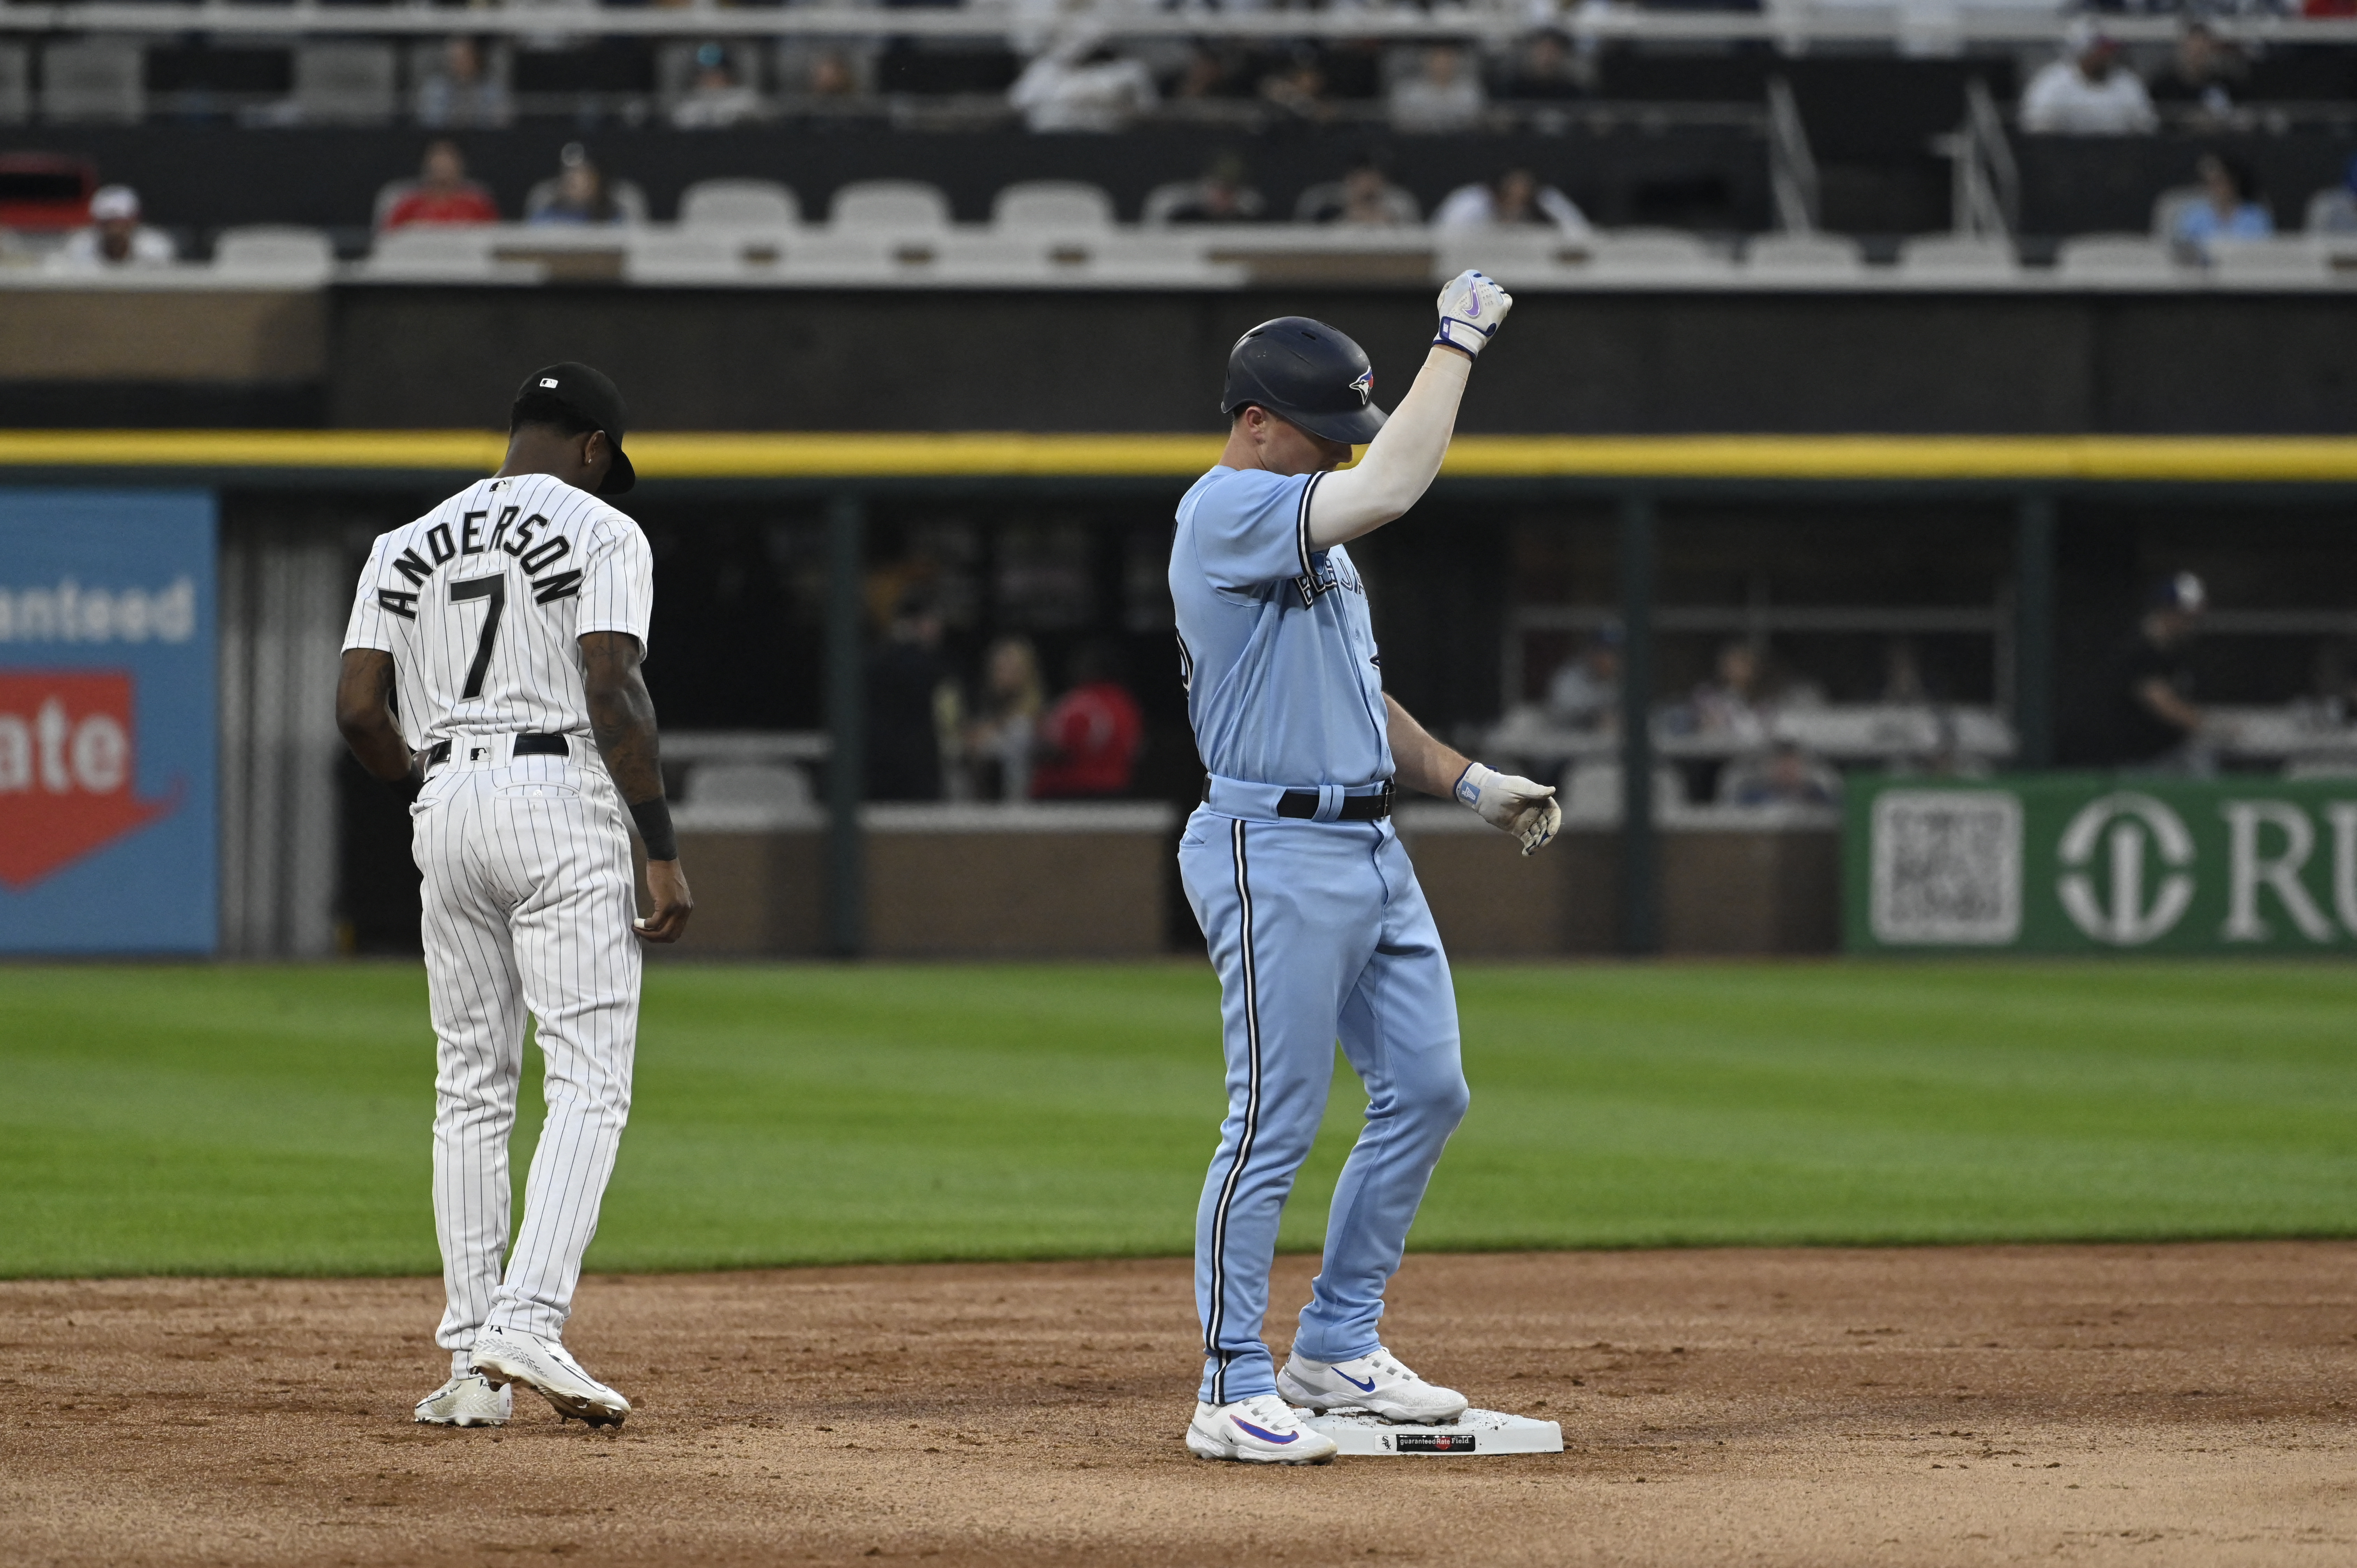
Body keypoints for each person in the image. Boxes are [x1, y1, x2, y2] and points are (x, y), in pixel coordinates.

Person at [1171, 276, 1560, 1465]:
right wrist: (1458, 342)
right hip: (1268, 845)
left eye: (1347, 433)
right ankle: (1230, 1381)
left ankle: (1336, 1347)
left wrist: (1468, 781)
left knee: (1431, 1090)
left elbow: (1357, 693)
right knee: (1271, 1121)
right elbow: (1393, 484)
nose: (1340, 454)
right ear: (1254, 421)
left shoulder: (1307, 535)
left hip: (1368, 843)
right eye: (1323, 433)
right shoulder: (1226, 505)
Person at [335, 362, 692, 1432]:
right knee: (587, 1081)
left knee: (471, 1087)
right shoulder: (601, 529)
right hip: (560, 793)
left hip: (443, 800)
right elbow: (608, 679)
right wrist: (659, 843)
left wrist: (428, 788)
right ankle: (528, 1318)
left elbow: (358, 710)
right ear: (592, 447)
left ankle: (470, 1369)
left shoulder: (403, 543)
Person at [2080, 571, 2212, 769]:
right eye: (2185, 616)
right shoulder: (2138, 650)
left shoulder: (2176, 650)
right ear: (2166, 611)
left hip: (2170, 751)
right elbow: (2164, 705)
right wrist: (2216, 728)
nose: (2190, 624)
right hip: (2141, 760)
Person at [866, 591, 954, 801]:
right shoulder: (919, 664)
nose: (940, 629)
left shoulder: (871, 660)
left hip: (873, 778)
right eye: (935, 621)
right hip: (909, 780)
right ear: (919, 622)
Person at [1030, 642, 1144, 798]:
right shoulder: (1126, 704)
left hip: (1073, 793)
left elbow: (1054, 745)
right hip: (1119, 791)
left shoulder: (1080, 702)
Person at [2020, 23, 2157, 136]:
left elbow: (2145, 127)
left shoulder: (2127, 82)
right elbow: (2038, 128)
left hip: (2118, 157)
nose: (2108, 57)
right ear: (2084, 52)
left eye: (2110, 51)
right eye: (2101, 51)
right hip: (2064, 156)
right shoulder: (2053, 82)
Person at [1009, 31, 1157, 134]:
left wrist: (1112, 104)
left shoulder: (1128, 71)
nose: (1080, 45)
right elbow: (1017, 106)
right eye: (1071, 38)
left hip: (1113, 144)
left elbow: (1149, 112)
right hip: (1050, 143)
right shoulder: (1043, 70)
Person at [963, 634, 1044, 802]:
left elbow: (1001, 751)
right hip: (989, 808)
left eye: (1011, 669)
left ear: (1026, 673)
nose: (1002, 675)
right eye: (998, 669)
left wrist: (979, 741)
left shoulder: (1029, 719)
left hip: (1021, 807)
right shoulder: (989, 714)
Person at [378, 140, 500, 230]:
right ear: (426, 167)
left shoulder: (478, 204)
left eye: (448, 164)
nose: (442, 169)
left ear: (460, 167)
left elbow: (494, 240)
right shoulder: (408, 205)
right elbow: (388, 240)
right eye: (438, 165)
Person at [1431, 168, 1588, 235]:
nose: (1518, 193)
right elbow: (1443, 235)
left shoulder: (1547, 201)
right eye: (1513, 187)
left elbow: (1579, 232)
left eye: (1524, 188)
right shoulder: (1471, 201)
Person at [51, 185, 174, 269]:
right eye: (107, 223)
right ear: (96, 224)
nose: (114, 229)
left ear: (134, 222)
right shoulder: (78, 249)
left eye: (121, 222)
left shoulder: (155, 250)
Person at [2173, 153, 2273, 256]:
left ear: (2233, 182)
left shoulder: (2256, 217)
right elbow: (2183, 251)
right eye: (2210, 183)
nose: (2216, 188)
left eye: (2220, 182)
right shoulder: (2194, 217)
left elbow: (2265, 253)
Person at [2146, 22, 2242, 124]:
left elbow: (2239, 114)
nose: (2198, 54)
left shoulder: (2224, 84)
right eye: (2194, 49)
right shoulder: (2163, 87)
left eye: (2203, 49)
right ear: (2183, 48)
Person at [415, 37, 511, 129]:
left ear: (476, 60)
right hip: (445, 139)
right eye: (455, 60)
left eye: (465, 59)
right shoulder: (435, 88)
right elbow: (429, 121)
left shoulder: (492, 89)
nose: (460, 64)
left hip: (484, 140)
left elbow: (501, 122)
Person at [1388, 44, 1486, 134]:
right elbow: (1401, 122)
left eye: (1447, 62)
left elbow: (1476, 121)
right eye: (1438, 62)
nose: (1442, 67)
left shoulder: (1469, 90)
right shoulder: (1409, 91)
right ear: (1427, 63)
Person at [1144, 155, 1266, 225]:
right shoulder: (1175, 207)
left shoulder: (1250, 211)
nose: (1224, 197)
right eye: (1220, 189)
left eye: (1231, 191)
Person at [1293, 160, 1421, 226]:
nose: (1369, 184)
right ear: (1350, 180)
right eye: (1363, 178)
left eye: (1373, 178)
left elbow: (1414, 237)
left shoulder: (1400, 203)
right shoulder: (1327, 203)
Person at [1719, 741, 1841, 809]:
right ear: (1769, 767)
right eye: (1782, 766)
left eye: (1792, 766)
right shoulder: (1751, 797)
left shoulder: (1818, 797)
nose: (1787, 772)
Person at [671, 44, 764, 130]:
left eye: (717, 73)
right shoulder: (688, 105)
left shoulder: (746, 100)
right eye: (705, 74)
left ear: (729, 75)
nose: (712, 78)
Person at [1544, 628, 1620, 731]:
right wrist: (1595, 718)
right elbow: (1563, 715)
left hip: (1604, 744)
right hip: (1567, 742)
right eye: (1602, 652)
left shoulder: (1619, 681)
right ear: (1591, 652)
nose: (1608, 660)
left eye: (1614, 653)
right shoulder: (1569, 679)